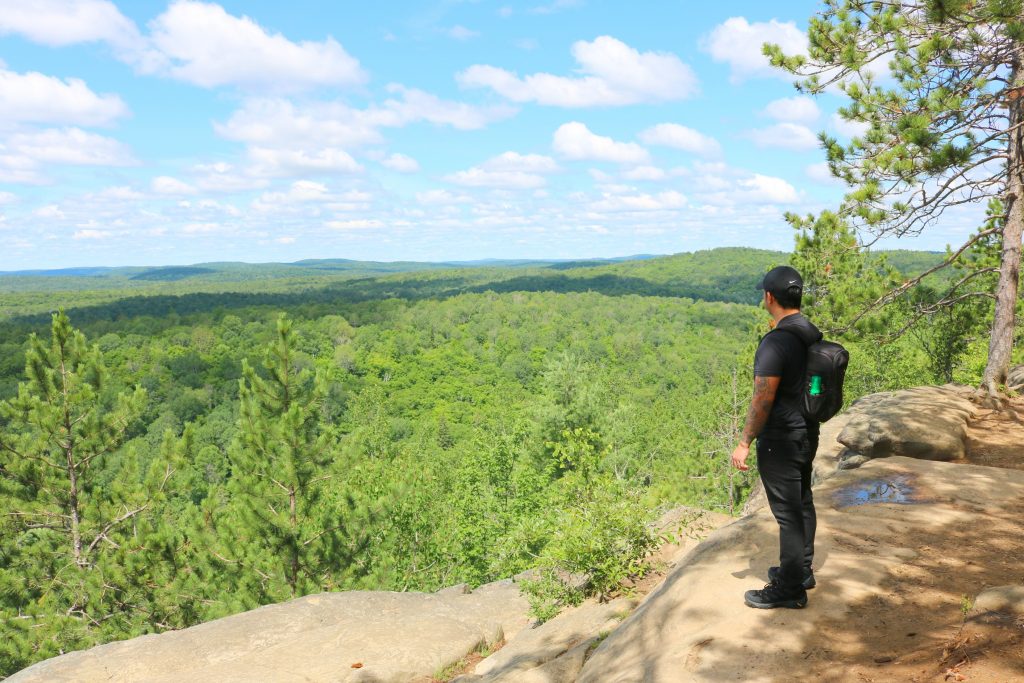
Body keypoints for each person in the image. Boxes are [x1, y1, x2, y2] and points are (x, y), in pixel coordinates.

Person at [730, 265, 822, 609]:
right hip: (806, 432)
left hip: (780, 439)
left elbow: (763, 397)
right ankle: (802, 570)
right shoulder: (810, 332)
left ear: (769, 297)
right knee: (802, 502)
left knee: (787, 514)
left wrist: (744, 442)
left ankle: (790, 589)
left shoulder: (776, 342)